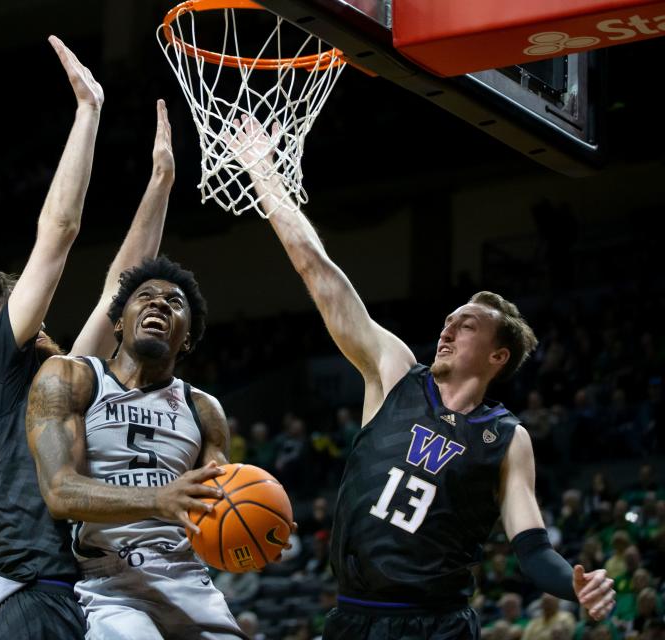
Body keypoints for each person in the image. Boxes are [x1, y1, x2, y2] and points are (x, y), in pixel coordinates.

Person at [229, 116, 616, 639]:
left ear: (498, 357)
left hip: (437, 625)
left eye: (468, 323)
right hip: (351, 616)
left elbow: (533, 548)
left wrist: (577, 584)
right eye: (449, 318)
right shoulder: (393, 372)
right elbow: (318, 273)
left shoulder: (506, 439)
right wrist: (262, 170)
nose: (449, 326)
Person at [0, 36, 176, 638]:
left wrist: (160, 183)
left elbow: (123, 290)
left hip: (83, 598)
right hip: (32, 601)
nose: (47, 333)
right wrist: (88, 110)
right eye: (29, 328)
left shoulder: (46, 390)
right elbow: (57, 232)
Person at [26, 256, 247, 639]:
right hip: (109, 581)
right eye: (145, 296)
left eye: (175, 303)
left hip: (187, 576)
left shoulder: (204, 409)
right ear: (118, 322)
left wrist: (254, 533)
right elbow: (59, 492)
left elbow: (221, 503)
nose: (159, 303)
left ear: (188, 338)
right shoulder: (72, 376)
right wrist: (159, 498)